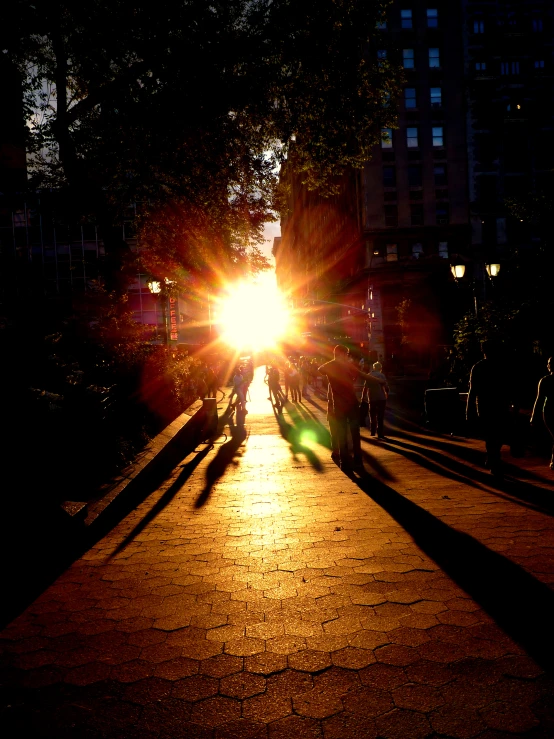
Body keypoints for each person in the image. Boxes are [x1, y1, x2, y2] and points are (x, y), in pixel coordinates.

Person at [319, 345, 386, 472]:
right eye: (346, 354)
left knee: (342, 434)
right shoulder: (347, 366)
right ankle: (358, 461)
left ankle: (345, 462)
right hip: (351, 405)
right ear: (342, 354)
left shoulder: (329, 365)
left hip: (338, 407)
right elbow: (364, 376)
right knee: (355, 434)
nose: (347, 356)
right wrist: (380, 381)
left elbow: (319, 369)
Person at [466, 339, 512, 477]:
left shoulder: (479, 367)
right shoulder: (501, 366)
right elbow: (510, 388)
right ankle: (494, 458)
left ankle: (492, 458)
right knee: (496, 434)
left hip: (486, 406)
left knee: (491, 435)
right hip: (498, 405)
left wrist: (469, 409)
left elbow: (472, 390)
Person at [530, 357, 554, 470]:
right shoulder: (545, 380)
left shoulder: (545, 380)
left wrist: (534, 416)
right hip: (549, 411)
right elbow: (539, 399)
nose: (548, 365)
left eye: (550, 363)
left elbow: (539, 399)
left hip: (549, 410)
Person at [364, 361, 390, 439]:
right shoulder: (381, 375)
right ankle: (380, 433)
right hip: (381, 398)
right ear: (380, 368)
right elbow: (386, 387)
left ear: (374, 368)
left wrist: (363, 397)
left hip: (372, 398)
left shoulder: (369, 375)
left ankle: (372, 430)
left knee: (372, 414)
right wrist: (386, 393)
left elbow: (365, 388)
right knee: (380, 416)